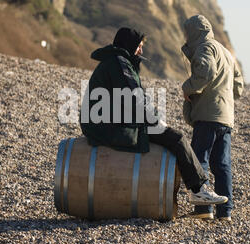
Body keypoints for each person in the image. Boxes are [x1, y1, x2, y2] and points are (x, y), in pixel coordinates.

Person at [80, 27, 228, 207]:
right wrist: (156, 121)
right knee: (177, 138)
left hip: (107, 121)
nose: (141, 51)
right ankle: (198, 190)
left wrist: (153, 118)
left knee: (168, 134)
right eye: (139, 46)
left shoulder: (116, 61)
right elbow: (135, 97)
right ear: (129, 45)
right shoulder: (119, 63)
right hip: (107, 126)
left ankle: (198, 188)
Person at [181, 15, 244, 222]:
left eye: (187, 33)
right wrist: (225, 97)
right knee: (222, 164)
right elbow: (238, 87)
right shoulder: (225, 52)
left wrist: (188, 88)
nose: (185, 38)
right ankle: (225, 212)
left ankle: (203, 209)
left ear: (194, 32)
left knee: (200, 161)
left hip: (208, 116)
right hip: (226, 117)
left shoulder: (205, 48)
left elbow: (206, 72)